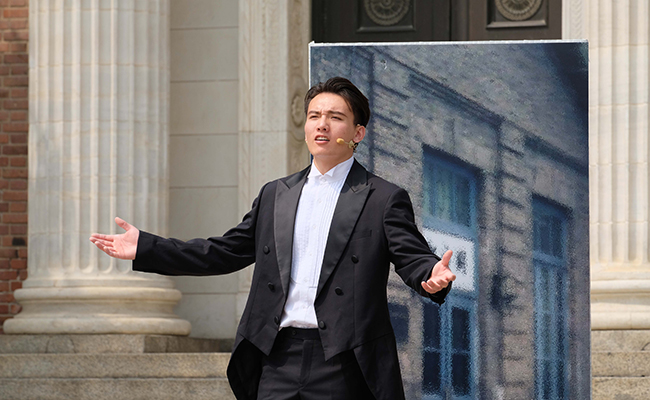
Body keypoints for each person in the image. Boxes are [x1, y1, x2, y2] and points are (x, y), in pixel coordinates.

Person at [90, 77, 456, 400]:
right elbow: (223, 251)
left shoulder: (382, 197)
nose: (322, 124)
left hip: (342, 360)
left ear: (357, 133)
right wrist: (148, 247)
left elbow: (412, 256)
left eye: (335, 117)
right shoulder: (276, 194)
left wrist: (431, 275)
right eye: (314, 116)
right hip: (276, 357)